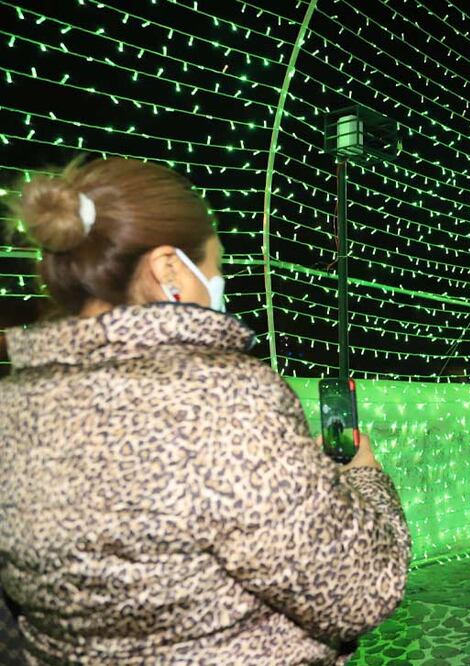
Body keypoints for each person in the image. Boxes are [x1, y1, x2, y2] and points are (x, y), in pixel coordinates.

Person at [0, 158, 411, 664]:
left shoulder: (13, 403)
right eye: (215, 266)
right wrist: (365, 478)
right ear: (169, 269)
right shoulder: (225, 399)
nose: (218, 282)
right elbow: (361, 589)